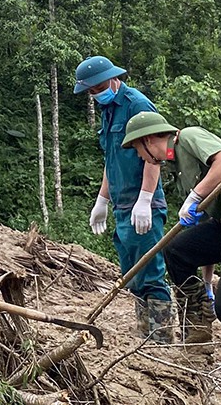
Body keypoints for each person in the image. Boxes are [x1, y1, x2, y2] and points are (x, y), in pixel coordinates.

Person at [122, 110, 221, 395]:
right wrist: (206, 284)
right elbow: (210, 222)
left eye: (138, 149)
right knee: (178, 251)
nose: (140, 157)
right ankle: (199, 321)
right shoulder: (180, 167)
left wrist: (195, 196)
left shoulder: (190, 137)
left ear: (148, 139)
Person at [74, 55, 173, 342]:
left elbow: (157, 154)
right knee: (132, 273)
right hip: (122, 205)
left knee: (150, 270)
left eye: (97, 88)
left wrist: (145, 199)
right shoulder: (107, 111)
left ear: (113, 79)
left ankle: (161, 338)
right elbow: (111, 159)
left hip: (144, 205)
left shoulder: (137, 105)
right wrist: (102, 200)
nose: (95, 95)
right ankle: (145, 334)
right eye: (91, 91)